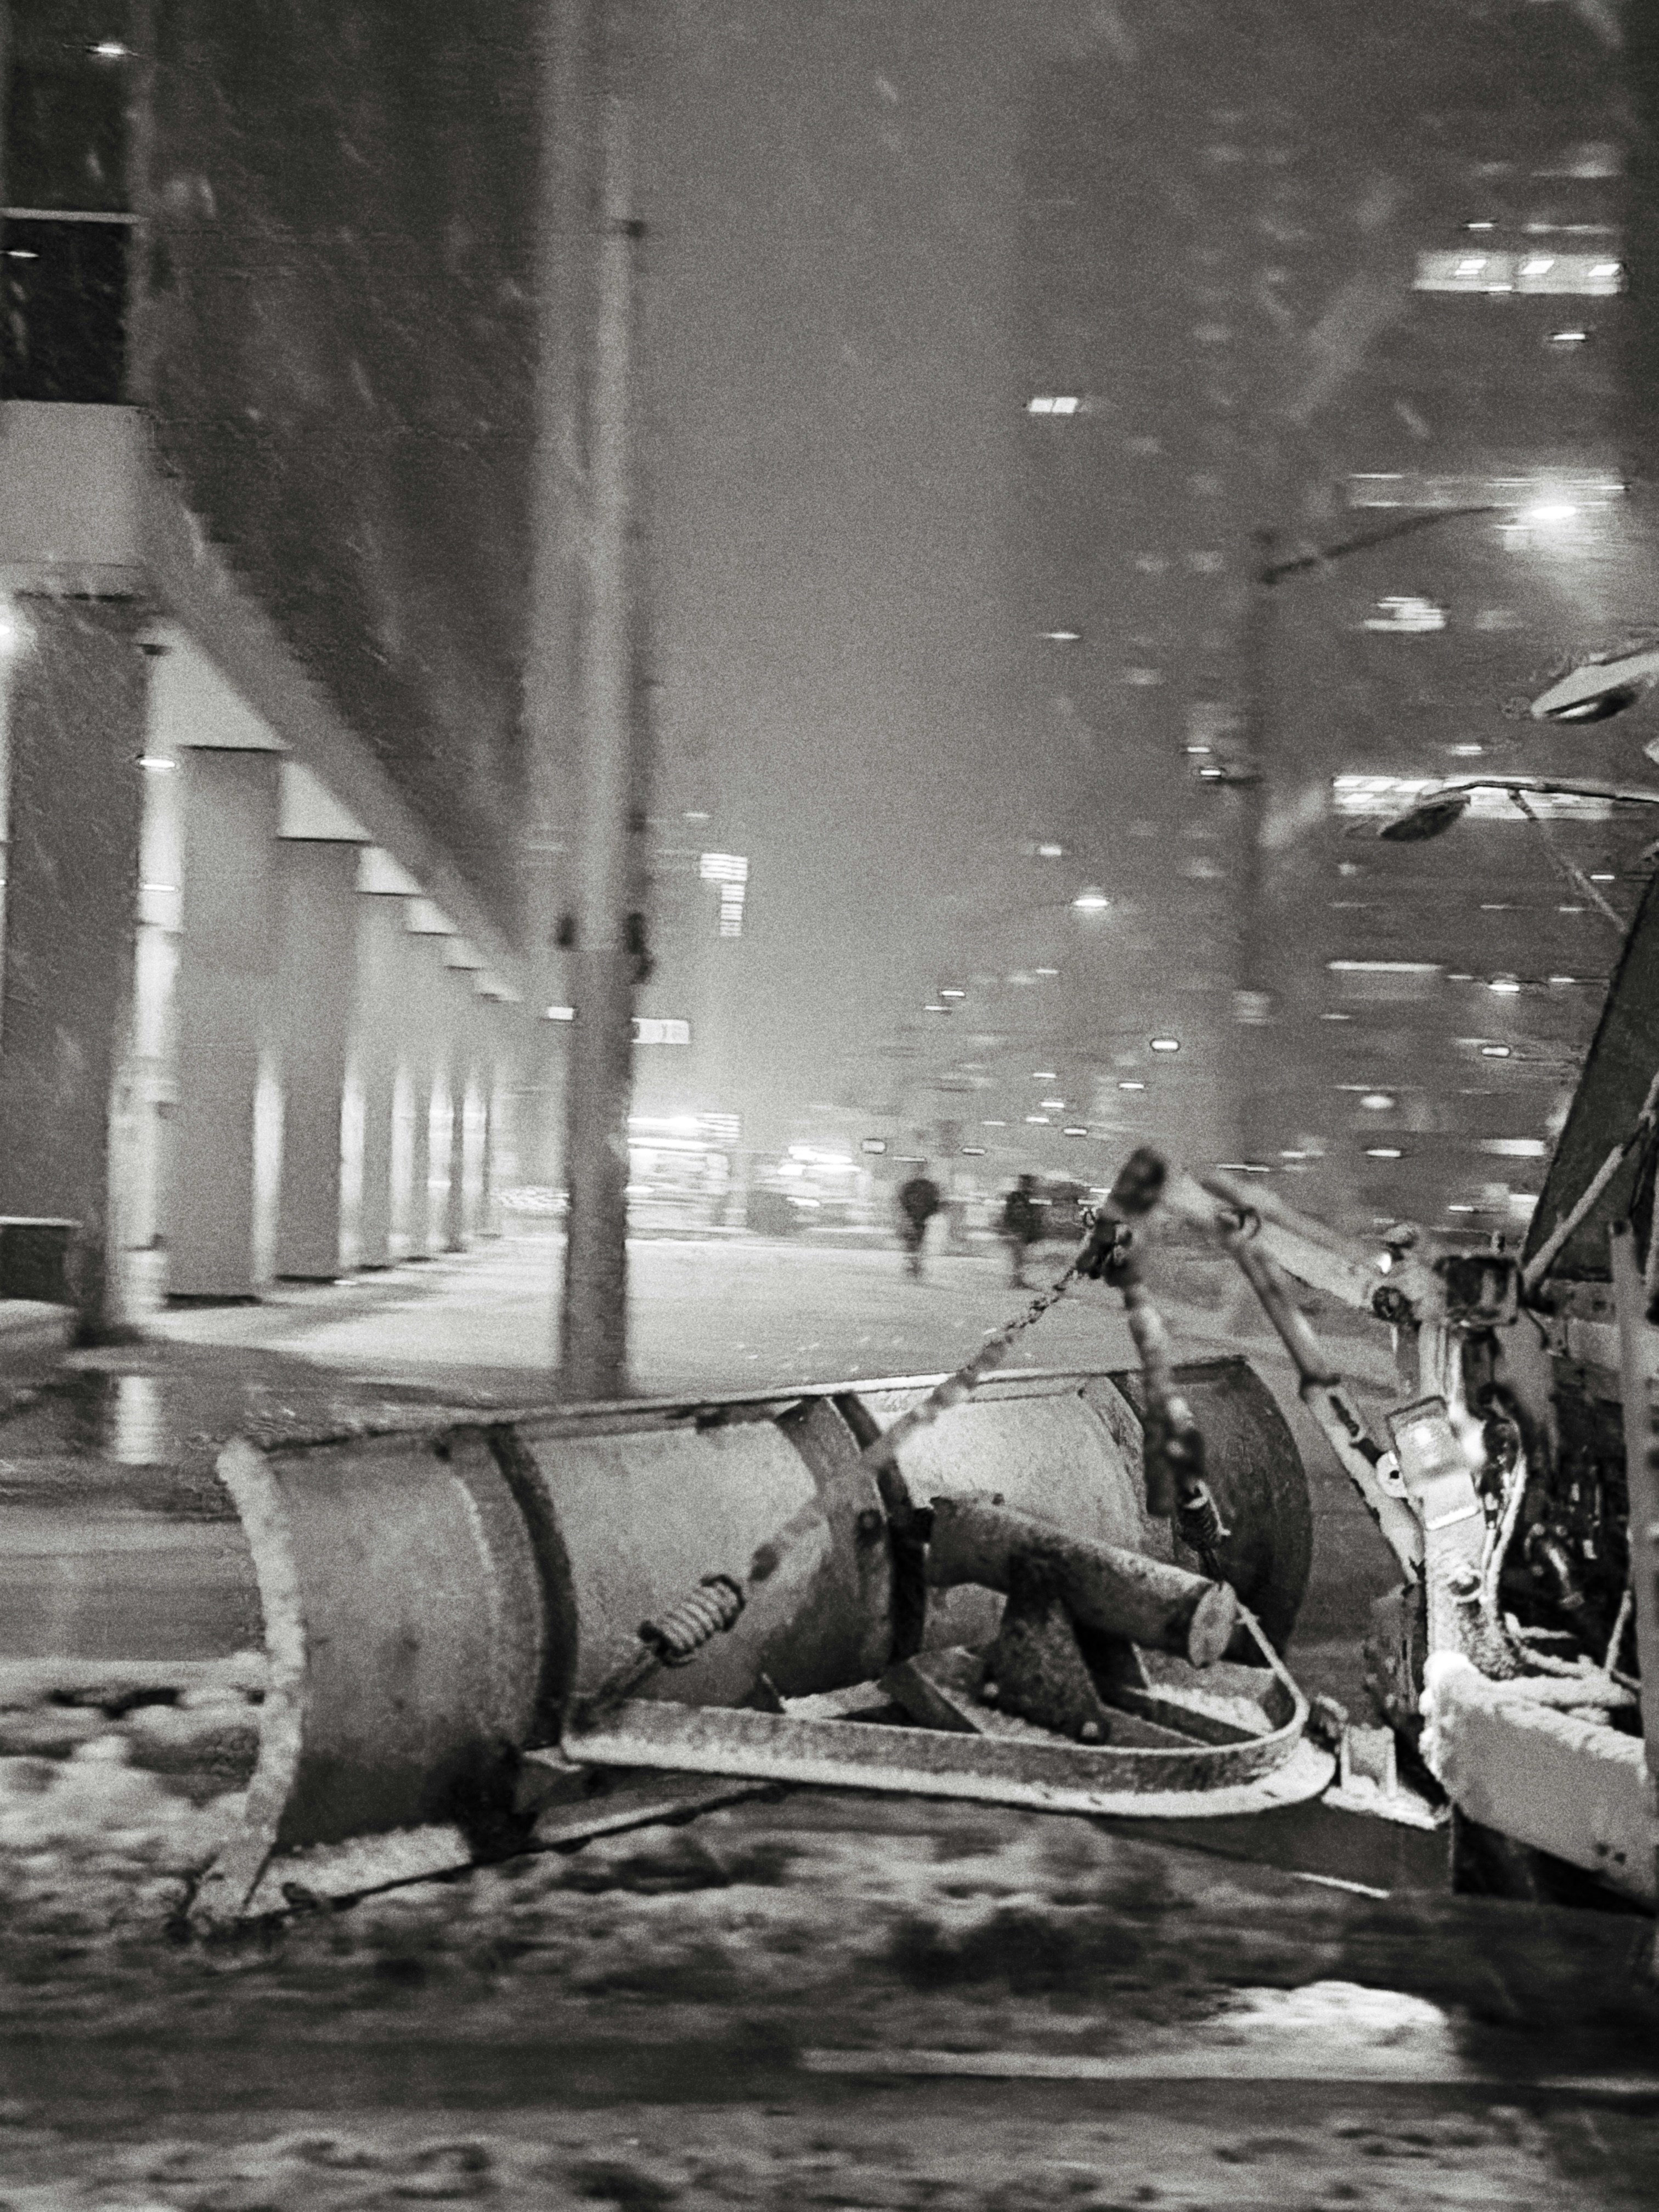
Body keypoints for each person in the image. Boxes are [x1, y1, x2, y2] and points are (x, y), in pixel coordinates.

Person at [896, 1164, 942, 1279]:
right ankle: (915, 1262)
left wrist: (907, 1212)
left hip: (916, 1217)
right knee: (917, 1240)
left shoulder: (911, 1186)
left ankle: (913, 1262)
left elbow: (902, 1199)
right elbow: (936, 1201)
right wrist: (931, 1212)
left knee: (914, 1240)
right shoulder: (928, 1186)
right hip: (919, 1217)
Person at [1000, 1172, 1043, 1288]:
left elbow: (1035, 1216)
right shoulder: (1016, 1197)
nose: (1029, 1186)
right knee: (1018, 1258)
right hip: (1017, 1232)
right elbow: (1009, 1214)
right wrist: (1008, 1230)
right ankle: (1016, 1281)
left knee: (1023, 1258)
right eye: (1027, 1183)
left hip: (1026, 1233)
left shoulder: (1031, 1198)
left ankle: (1019, 1280)